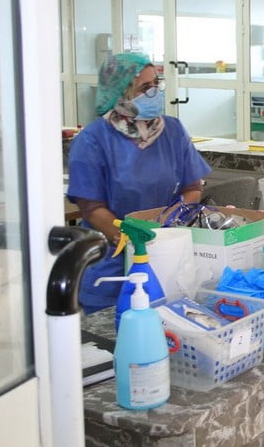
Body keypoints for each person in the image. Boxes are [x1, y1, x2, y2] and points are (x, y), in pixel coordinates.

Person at [67, 52, 211, 314]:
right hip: (112, 265)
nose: (154, 93)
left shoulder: (173, 131)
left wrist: (166, 227)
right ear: (120, 93)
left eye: (156, 84)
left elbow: (193, 188)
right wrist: (133, 241)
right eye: (145, 88)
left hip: (168, 256)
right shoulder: (92, 140)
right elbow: (92, 208)